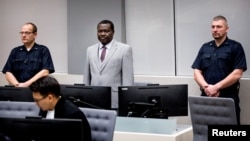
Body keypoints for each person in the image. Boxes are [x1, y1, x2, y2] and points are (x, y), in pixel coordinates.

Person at [191, 15, 247, 125]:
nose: (215, 29)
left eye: (219, 26)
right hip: (207, 98)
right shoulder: (205, 47)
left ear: (227, 29)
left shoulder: (235, 47)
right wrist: (207, 88)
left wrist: (216, 87)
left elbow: (237, 74)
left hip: (227, 98)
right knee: (206, 131)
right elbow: (196, 72)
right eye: (213, 27)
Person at [83, 19, 134, 109]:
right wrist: (86, 96)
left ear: (113, 32)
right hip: (93, 100)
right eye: (100, 31)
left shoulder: (124, 49)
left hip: (114, 100)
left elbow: (127, 80)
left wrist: (127, 102)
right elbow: (87, 78)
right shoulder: (90, 50)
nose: (103, 34)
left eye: (106, 31)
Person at [29, 76, 92, 141]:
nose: (35, 103)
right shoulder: (44, 109)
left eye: (37, 100)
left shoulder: (73, 115)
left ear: (50, 98)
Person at [2, 22, 55, 87]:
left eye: (27, 33)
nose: (23, 35)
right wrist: (17, 85)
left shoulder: (43, 50)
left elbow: (45, 71)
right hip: (18, 89)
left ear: (35, 34)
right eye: (22, 33)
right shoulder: (15, 51)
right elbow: (7, 72)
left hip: (37, 89)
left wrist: (26, 84)